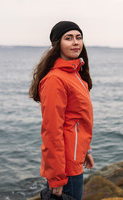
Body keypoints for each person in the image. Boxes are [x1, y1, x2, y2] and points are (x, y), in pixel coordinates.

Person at [29, 21, 94, 199]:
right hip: (65, 167)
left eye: (78, 37)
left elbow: (78, 120)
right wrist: (56, 178)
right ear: (58, 44)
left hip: (74, 159)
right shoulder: (55, 80)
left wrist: (85, 150)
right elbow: (52, 131)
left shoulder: (76, 75)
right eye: (69, 38)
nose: (75, 42)